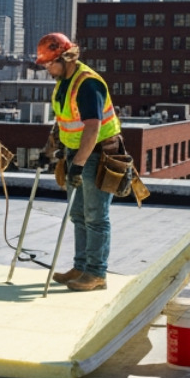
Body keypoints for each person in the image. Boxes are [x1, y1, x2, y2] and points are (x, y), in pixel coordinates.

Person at [36, 32, 122, 292]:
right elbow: (63, 120)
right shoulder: (64, 81)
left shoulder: (87, 84)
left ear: (65, 57)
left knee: (96, 215)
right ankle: (81, 266)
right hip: (78, 152)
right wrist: (49, 149)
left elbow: (93, 128)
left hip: (97, 153)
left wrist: (79, 164)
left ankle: (96, 273)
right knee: (78, 214)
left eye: (50, 63)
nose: (48, 69)